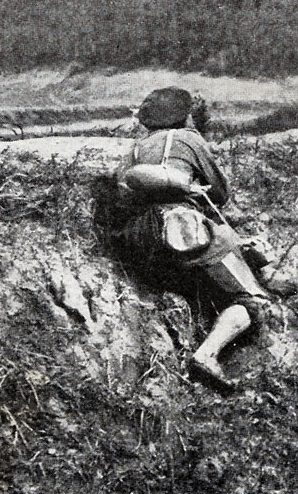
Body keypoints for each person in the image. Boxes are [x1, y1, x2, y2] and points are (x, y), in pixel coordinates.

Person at [114, 87, 279, 390]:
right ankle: (207, 354)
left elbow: (124, 194)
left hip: (141, 237)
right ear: (184, 116)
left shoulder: (135, 149)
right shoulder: (188, 139)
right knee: (252, 301)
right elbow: (220, 191)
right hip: (181, 229)